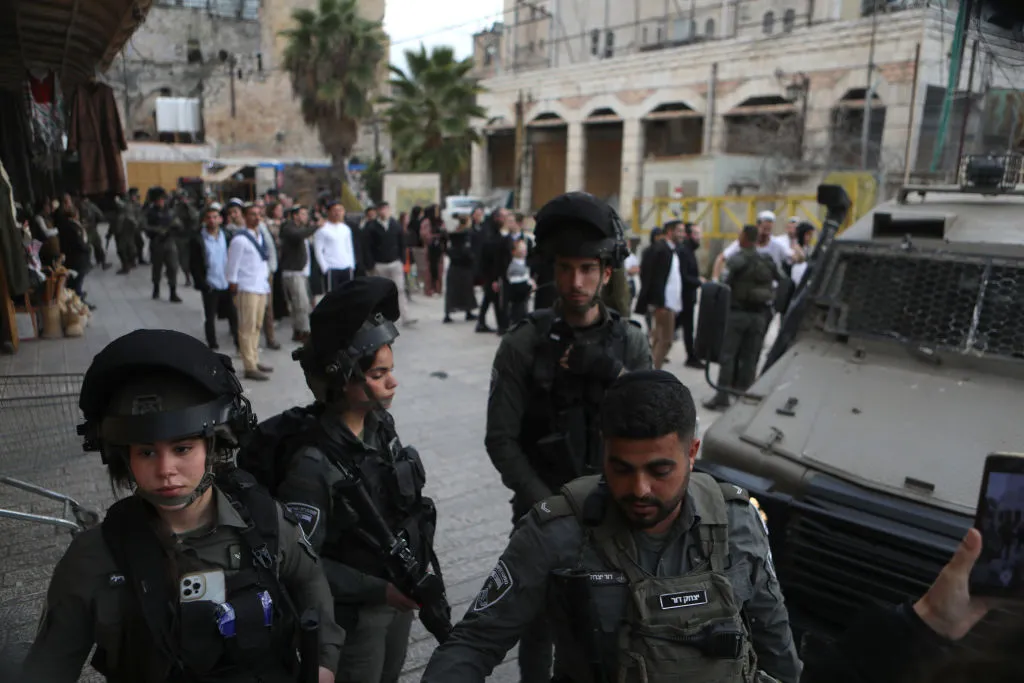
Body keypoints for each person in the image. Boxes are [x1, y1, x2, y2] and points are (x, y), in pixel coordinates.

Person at [425, 370, 800, 683]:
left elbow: (775, 640)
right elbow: (474, 643)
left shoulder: (737, 520)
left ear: (691, 452)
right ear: (603, 450)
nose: (639, 489)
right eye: (622, 469)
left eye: (659, 470)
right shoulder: (557, 532)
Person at [20, 329, 344, 683]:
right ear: (125, 458)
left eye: (182, 449)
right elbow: (48, 666)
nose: (165, 470)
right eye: (147, 452)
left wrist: (323, 662)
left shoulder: (264, 521)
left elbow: (309, 580)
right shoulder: (94, 558)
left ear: (212, 446)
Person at [485, 191, 652, 683]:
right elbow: (501, 439)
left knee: (608, 633)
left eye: (587, 269)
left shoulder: (629, 342)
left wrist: (613, 374)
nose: (575, 282)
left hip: (616, 515)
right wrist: (547, 505)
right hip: (541, 513)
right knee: (537, 630)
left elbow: (656, 425)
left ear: (606, 273)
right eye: (565, 269)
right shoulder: (523, 343)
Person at [276, 277, 445, 683]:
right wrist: (377, 590)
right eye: (378, 373)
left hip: (397, 599)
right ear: (342, 379)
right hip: (353, 619)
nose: (392, 381)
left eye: (391, 369)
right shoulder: (311, 465)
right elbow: (301, 564)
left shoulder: (379, 425)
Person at [703, 225, 784, 411]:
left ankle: (722, 396)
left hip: (737, 314)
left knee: (728, 356)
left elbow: (724, 284)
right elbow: (783, 280)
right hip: (759, 317)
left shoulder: (737, 259)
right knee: (751, 356)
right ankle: (743, 395)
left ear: (745, 237)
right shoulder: (767, 260)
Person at [227, 203, 274, 381]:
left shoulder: (259, 236)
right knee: (247, 327)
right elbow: (232, 265)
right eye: (253, 214)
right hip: (246, 287)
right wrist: (233, 284)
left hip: (260, 286)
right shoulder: (240, 239)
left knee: (257, 326)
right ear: (245, 217)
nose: (257, 217)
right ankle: (249, 366)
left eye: (259, 214)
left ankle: (254, 358)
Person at [634, 220, 683, 370]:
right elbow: (656, 279)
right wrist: (659, 303)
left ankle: (650, 371)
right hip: (664, 304)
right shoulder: (662, 250)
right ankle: (653, 373)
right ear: (670, 232)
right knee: (665, 341)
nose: (682, 235)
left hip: (669, 303)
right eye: (679, 231)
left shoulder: (670, 250)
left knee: (658, 340)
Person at [190, 203, 239, 350]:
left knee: (233, 314)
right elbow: (194, 264)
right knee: (210, 317)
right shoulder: (199, 239)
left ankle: (238, 342)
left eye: (215, 217)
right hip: (210, 283)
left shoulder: (226, 235)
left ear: (220, 219)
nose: (212, 220)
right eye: (209, 217)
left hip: (226, 282)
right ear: (205, 220)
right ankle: (212, 344)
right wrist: (202, 283)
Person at [365, 201, 416, 325]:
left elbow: (402, 244)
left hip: (395, 262)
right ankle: (380, 317)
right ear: (378, 211)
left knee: (400, 289)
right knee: (380, 292)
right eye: (382, 209)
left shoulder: (395, 225)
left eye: (386, 209)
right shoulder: (371, 227)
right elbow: (367, 246)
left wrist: (402, 260)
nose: (384, 212)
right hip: (379, 263)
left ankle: (405, 316)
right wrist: (370, 263)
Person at [279, 205, 318, 343]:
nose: (306, 217)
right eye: (303, 214)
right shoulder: (289, 228)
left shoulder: (300, 228)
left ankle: (298, 330)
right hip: (293, 272)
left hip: (301, 271)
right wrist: (316, 226)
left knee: (300, 303)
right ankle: (304, 331)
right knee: (301, 304)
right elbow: (298, 236)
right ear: (295, 215)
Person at [145, 187, 183, 303]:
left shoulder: (170, 211)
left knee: (173, 267)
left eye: (162, 199)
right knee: (157, 268)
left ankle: (173, 292)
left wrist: (176, 225)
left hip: (170, 242)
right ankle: (156, 288)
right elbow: (144, 226)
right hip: (157, 243)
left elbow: (179, 225)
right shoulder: (150, 212)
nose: (161, 201)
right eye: (158, 199)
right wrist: (157, 230)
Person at [313, 201, 359, 292]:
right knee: (333, 295)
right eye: (335, 210)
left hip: (346, 266)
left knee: (347, 294)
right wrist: (324, 268)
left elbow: (349, 248)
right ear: (328, 212)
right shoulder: (322, 229)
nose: (338, 213)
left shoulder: (345, 229)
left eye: (340, 210)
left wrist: (351, 264)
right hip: (331, 267)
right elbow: (318, 250)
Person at [677, 223, 704, 369]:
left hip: (688, 296)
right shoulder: (684, 251)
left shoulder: (689, 250)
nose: (699, 237)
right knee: (685, 327)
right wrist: (699, 281)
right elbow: (683, 276)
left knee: (680, 325)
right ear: (688, 235)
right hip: (683, 296)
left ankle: (691, 356)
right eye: (696, 234)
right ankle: (691, 357)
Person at [443, 214, 479, 323]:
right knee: (467, 290)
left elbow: (447, 248)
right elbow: (468, 250)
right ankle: (468, 311)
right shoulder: (467, 235)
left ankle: (448, 313)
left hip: (454, 266)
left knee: (452, 291)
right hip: (464, 266)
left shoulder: (453, 234)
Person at [504, 238, 535, 326]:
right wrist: (530, 286)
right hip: (517, 301)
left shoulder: (523, 263)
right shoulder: (514, 267)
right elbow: (517, 286)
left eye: (524, 249)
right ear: (514, 252)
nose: (524, 251)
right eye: (521, 249)